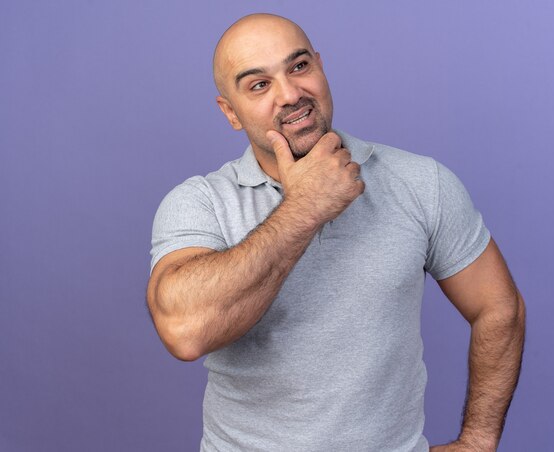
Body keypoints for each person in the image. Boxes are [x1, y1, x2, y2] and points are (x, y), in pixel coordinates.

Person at [147, 13, 525, 452]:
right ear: (230, 111)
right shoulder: (201, 202)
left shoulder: (422, 182)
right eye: (259, 85)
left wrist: (478, 440)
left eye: (299, 66)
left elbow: (500, 308)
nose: (290, 94)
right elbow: (185, 331)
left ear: (321, 67)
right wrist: (305, 207)